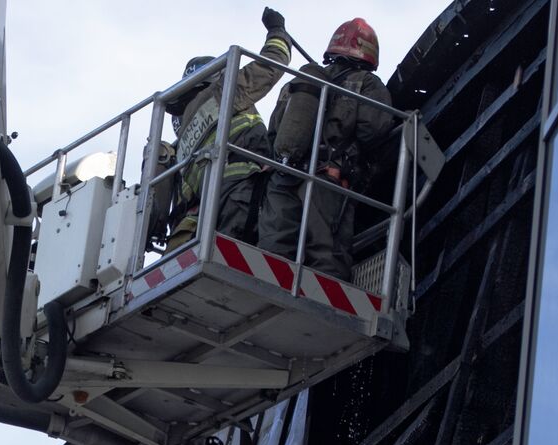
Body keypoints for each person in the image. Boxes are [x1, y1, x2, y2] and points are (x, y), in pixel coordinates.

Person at [258, 18, 394, 282]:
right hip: (326, 179)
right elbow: (374, 130)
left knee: (274, 251)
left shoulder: (297, 84)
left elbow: (274, 130)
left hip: (282, 175)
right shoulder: (367, 83)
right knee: (326, 255)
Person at [164, 7, 291, 252]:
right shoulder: (222, 93)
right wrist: (278, 31)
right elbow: (272, 64)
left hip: (207, 210)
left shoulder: (184, 134)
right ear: (217, 77)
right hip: (241, 191)